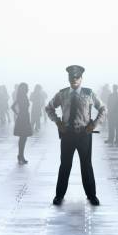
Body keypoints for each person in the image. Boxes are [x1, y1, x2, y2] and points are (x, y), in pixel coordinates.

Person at [45, 65, 106, 206]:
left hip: (84, 134)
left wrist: (94, 124)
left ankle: (92, 195)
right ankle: (59, 195)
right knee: (65, 165)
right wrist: (58, 122)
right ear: (68, 78)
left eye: (77, 77)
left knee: (86, 166)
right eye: (71, 78)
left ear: (81, 78)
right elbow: (49, 108)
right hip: (67, 135)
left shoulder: (89, 93)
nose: (74, 80)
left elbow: (103, 109)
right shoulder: (62, 94)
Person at [11, 82, 33, 164]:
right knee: (23, 138)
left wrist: (18, 113)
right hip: (23, 118)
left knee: (22, 138)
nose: (27, 89)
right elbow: (13, 107)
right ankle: (21, 155)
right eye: (26, 88)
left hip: (22, 117)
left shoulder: (21, 96)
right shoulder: (22, 96)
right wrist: (19, 113)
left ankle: (20, 155)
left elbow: (12, 107)